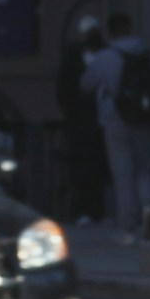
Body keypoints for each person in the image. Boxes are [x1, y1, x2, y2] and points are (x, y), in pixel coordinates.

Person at [82, 12, 150, 241]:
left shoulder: (106, 57)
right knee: (145, 168)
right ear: (130, 27)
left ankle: (128, 225)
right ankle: (149, 207)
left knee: (123, 173)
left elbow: (85, 84)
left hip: (115, 118)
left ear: (111, 32)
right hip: (147, 118)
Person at [55, 13, 109, 231]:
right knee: (81, 168)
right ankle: (83, 210)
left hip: (98, 121)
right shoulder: (73, 57)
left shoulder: (105, 54)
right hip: (80, 121)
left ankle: (96, 209)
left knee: (98, 168)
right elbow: (65, 90)